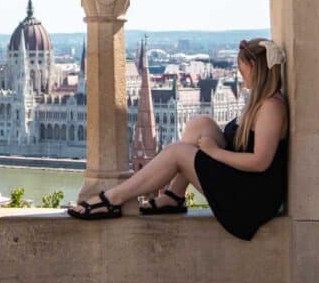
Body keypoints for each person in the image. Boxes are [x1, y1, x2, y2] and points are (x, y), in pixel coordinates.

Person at [67, 38, 288, 241]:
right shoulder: (261, 102)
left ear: (257, 70)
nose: (242, 78)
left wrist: (215, 152)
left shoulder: (271, 106)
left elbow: (261, 162)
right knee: (199, 123)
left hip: (250, 201)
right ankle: (174, 195)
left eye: (244, 71)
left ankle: (112, 199)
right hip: (243, 184)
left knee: (176, 152)